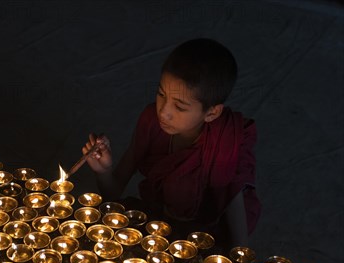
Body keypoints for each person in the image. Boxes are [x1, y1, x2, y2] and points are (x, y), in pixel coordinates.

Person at [82, 38, 261, 251]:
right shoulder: (151, 121)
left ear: (212, 112)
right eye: (160, 94)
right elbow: (111, 195)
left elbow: (234, 210)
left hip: (205, 231)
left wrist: (239, 258)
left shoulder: (225, 139)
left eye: (179, 106)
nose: (163, 112)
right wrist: (103, 171)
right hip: (158, 218)